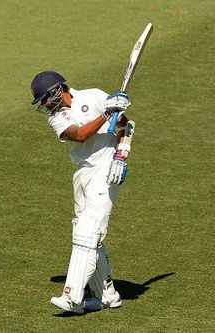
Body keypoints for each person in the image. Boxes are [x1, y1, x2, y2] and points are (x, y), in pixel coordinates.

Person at [30, 70, 136, 314]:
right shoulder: (56, 119)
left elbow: (125, 126)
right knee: (86, 232)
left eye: (45, 98)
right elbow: (80, 135)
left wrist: (122, 155)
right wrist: (107, 114)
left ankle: (72, 297)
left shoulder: (95, 96)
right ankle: (107, 296)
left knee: (87, 233)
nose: (45, 104)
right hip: (82, 174)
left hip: (106, 169)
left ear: (58, 89)